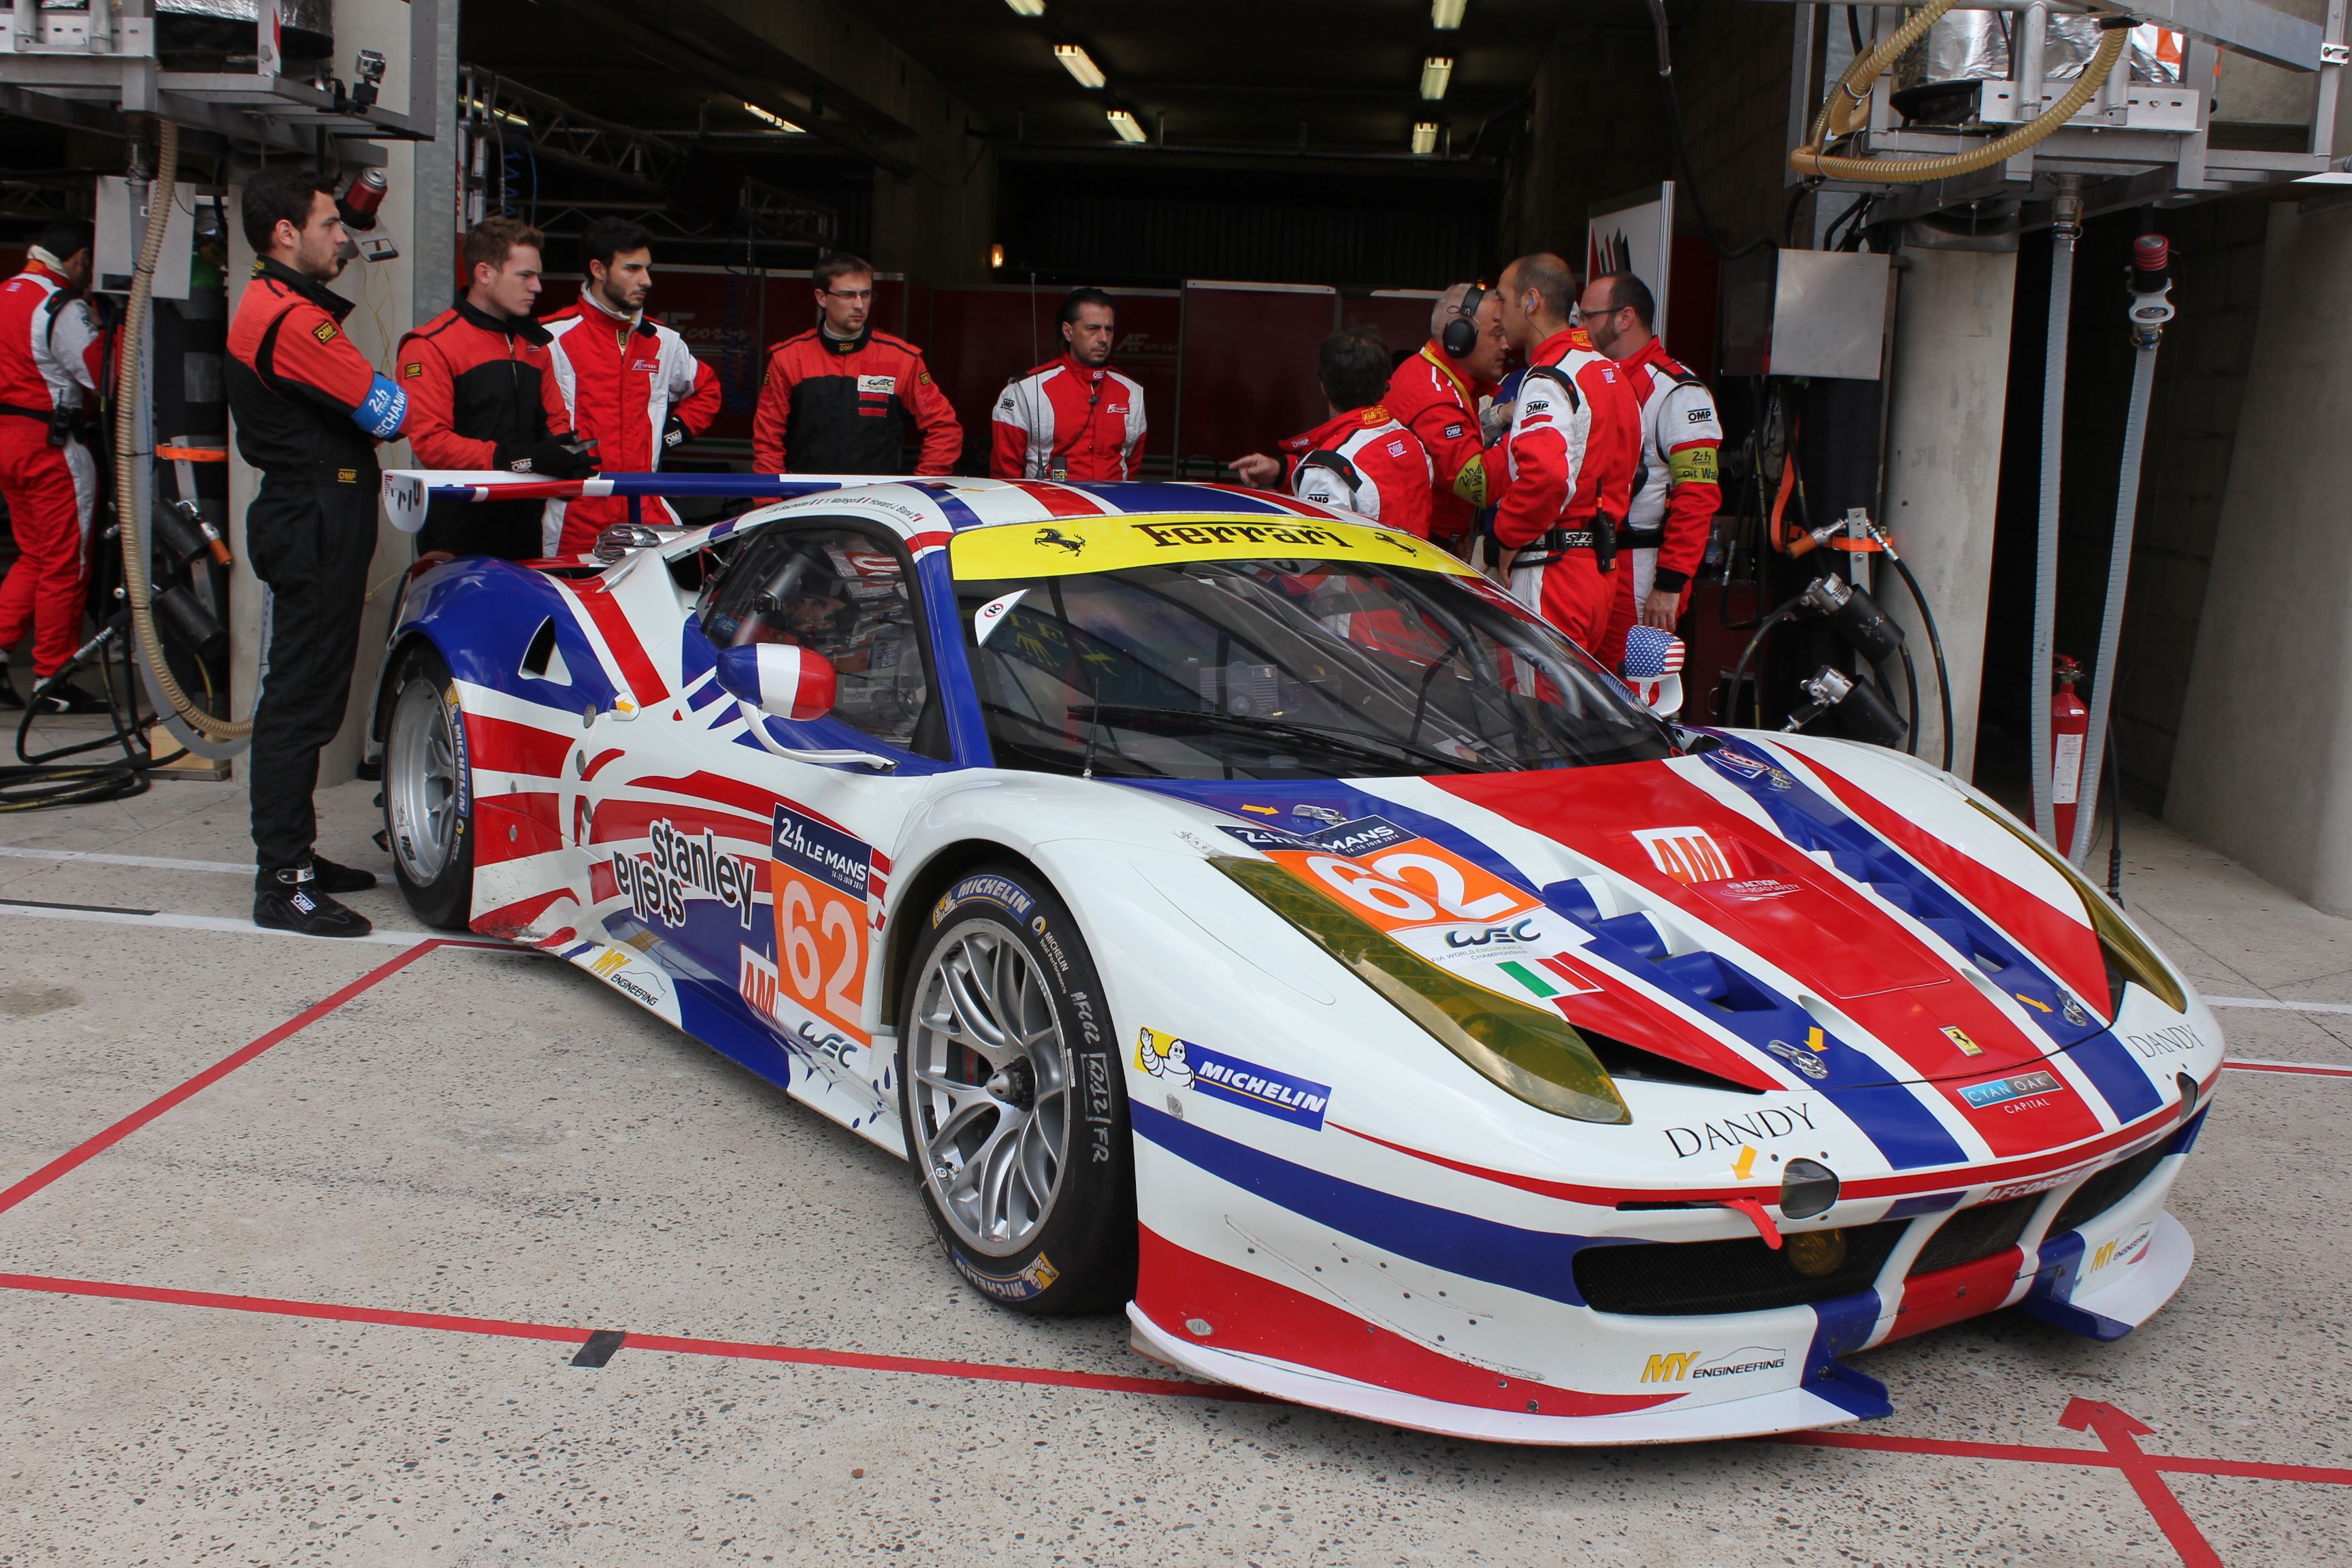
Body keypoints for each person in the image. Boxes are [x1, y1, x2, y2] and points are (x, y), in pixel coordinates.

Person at [225, 165, 412, 937]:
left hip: (314, 513)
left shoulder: (276, 303)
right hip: (312, 518)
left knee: (311, 696)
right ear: (285, 233)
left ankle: (294, 854)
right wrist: (386, 389)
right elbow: (389, 411)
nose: (345, 237)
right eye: (331, 224)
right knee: (300, 702)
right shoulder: (294, 319)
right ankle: (284, 881)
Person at [397, 216, 591, 559]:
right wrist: (520, 459)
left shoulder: (534, 344)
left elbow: (556, 423)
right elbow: (431, 443)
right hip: (458, 524)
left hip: (525, 525)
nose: (537, 287)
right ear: (484, 273)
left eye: (537, 275)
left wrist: (569, 454)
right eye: (525, 276)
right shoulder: (430, 344)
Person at [540, 217, 720, 555]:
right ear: (598, 269)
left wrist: (670, 435)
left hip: (646, 508)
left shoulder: (663, 340)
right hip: (574, 513)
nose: (646, 280)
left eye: (647, 269)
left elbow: (707, 390)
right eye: (632, 269)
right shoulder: (550, 337)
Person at [1490, 252, 1642, 649]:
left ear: (1531, 301)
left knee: (1535, 691)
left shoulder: (1550, 376)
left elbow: (1546, 478)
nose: (1496, 314)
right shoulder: (1611, 373)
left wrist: (1505, 539)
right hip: (1598, 574)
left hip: (1552, 570)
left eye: (1502, 298)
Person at [1576, 271, 1722, 670]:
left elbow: (1698, 496)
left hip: (1640, 571)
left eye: (1588, 316)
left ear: (1625, 318)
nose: (1579, 327)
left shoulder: (1679, 391)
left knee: (1634, 692)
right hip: (1587, 564)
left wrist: (1670, 584)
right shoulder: (1592, 379)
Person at [0, 219, 107, 714]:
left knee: (35, 556)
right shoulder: (60, 305)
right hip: (52, 446)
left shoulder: (4, 293)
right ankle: (53, 678)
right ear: (81, 258)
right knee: (66, 562)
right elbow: (103, 374)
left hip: (8, 444)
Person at [751, 252, 960, 476]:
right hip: (807, 493)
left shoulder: (902, 360)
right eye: (848, 295)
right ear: (821, 298)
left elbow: (944, 428)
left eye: (866, 294)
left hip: (875, 496)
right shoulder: (789, 359)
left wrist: (919, 486)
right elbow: (767, 439)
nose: (860, 305)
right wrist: (773, 494)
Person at [1228, 327, 1433, 536]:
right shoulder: (1412, 442)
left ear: (1323, 386)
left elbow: (1321, 550)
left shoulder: (1326, 472)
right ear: (1385, 386)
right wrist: (1282, 471)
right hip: (1417, 557)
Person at [1382, 282, 1509, 554]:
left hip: (1426, 541)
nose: (1506, 345)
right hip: (1418, 547)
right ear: (1460, 338)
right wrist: (1531, 428)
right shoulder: (1435, 398)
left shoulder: (1431, 374)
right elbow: (1480, 485)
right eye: (1497, 335)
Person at [990, 287, 1147, 481]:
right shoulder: (1027, 389)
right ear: (1068, 332)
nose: (1103, 339)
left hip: (1112, 501)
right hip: (1048, 500)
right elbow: (1005, 474)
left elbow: (1132, 465)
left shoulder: (1132, 391)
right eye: (1093, 329)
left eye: (1109, 330)